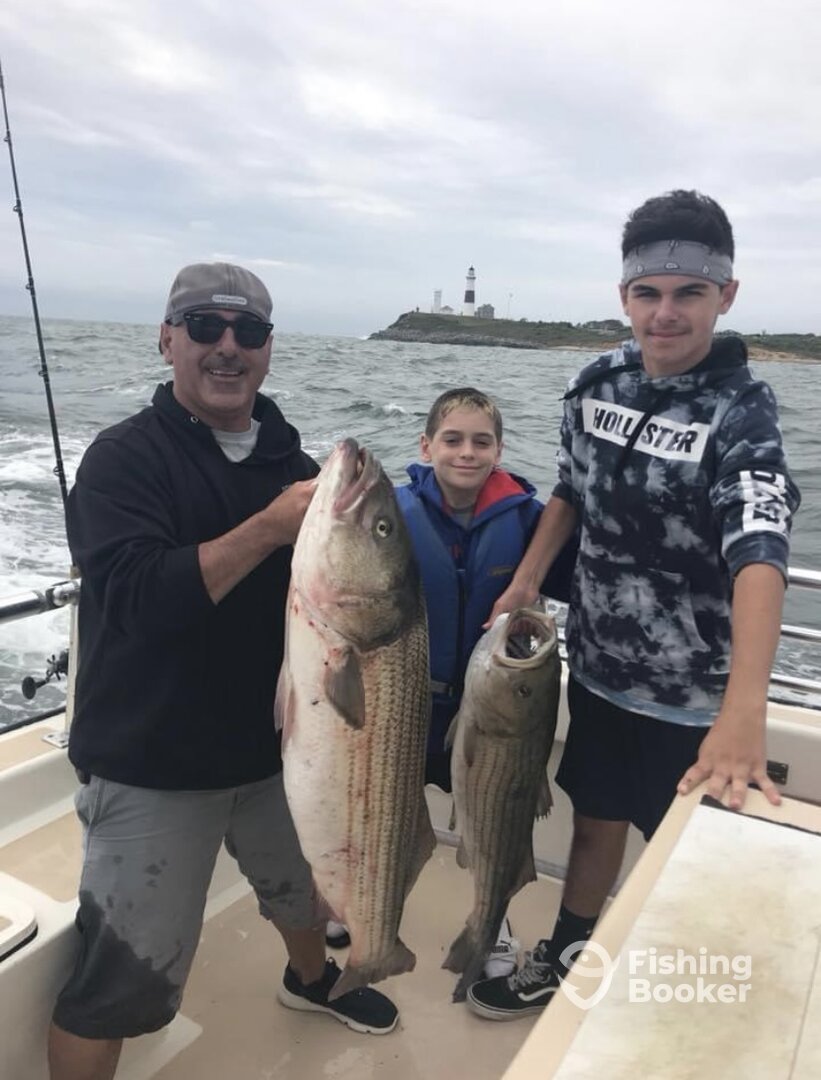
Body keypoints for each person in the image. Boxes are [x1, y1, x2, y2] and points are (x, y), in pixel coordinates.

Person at [48, 263, 399, 1080]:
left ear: (269, 348)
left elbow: (352, 612)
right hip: (153, 762)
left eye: (249, 331)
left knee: (299, 891)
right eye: (205, 327)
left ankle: (310, 980)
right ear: (167, 340)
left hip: (275, 751)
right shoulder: (123, 460)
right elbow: (134, 601)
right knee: (118, 985)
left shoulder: (297, 466)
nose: (228, 347)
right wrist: (269, 528)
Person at [466, 190, 801, 1021]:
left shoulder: (741, 412)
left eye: (689, 293)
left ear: (725, 295)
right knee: (593, 822)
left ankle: (685, 1000)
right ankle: (568, 956)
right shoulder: (596, 382)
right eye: (647, 292)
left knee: (689, 859)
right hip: (598, 670)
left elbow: (760, 551)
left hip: (696, 703)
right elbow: (568, 493)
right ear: (623, 296)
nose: (665, 313)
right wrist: (525, 580)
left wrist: (743, 713)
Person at [383, 387, 573, 978]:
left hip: (492, 713)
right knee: (391, 818)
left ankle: (491, 921)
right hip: (408, 702)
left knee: (496, 823)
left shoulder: (527, 519)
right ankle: (372, 909)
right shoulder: (394, 515)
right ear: (426, 446)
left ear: (500, 450)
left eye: (481, 442)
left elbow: (570, 580)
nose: (467, 452)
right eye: (453, 439)